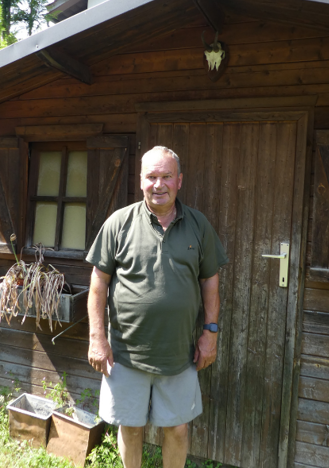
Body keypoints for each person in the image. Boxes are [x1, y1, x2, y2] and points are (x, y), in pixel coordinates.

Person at [85, 146, 228, 468]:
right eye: (151, 177)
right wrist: (97, 337)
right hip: (124, 351)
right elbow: (98, 284)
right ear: (141, 181)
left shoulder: (198, 225)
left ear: (179, 180)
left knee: (177, 429)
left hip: (178, 352)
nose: (158, 184)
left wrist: (211, 332)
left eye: (166, 176)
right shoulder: (119, 223)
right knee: (131, 427)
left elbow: (211, 282)